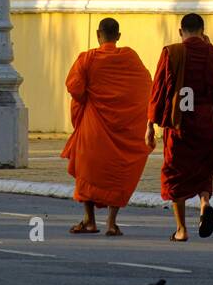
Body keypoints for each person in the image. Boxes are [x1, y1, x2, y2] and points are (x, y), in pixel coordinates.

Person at [147, 12, 213, 241]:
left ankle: (181, 229)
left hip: (179, 123)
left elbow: (158, 89)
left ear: (181, 32)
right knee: (203, 168)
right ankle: (204, 203)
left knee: (174, 173)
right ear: (203, 30)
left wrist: (150, 124)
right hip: (205, 122)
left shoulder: (172, 52)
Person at [61, 17, 153, 236]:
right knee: (117, 174)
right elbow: (146, 85)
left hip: (94, 125)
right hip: (123, 127)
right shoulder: (130, 57)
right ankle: (111, 223)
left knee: (87, 172)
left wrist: (89, 98)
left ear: (97, 34)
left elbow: (74, 87)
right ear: (118, 36)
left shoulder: (88, 58)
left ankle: (89, 221)